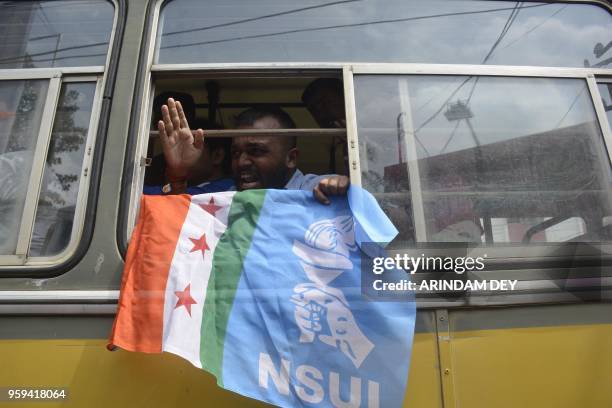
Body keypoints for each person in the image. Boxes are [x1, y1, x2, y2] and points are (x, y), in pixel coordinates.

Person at [158, 99, 349, 203]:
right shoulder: (225, 196)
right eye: (235, 153)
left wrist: (345, 188)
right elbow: (180, 222)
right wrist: (178, 174)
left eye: (256, 151)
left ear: (291, 158)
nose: (241, 162)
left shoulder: (315, 190)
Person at [144, 94, 233, 195]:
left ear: (217, 156)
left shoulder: (224, 189)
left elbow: (142, 196)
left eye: (192, 145)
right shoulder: (161, 165)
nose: (183, 151)